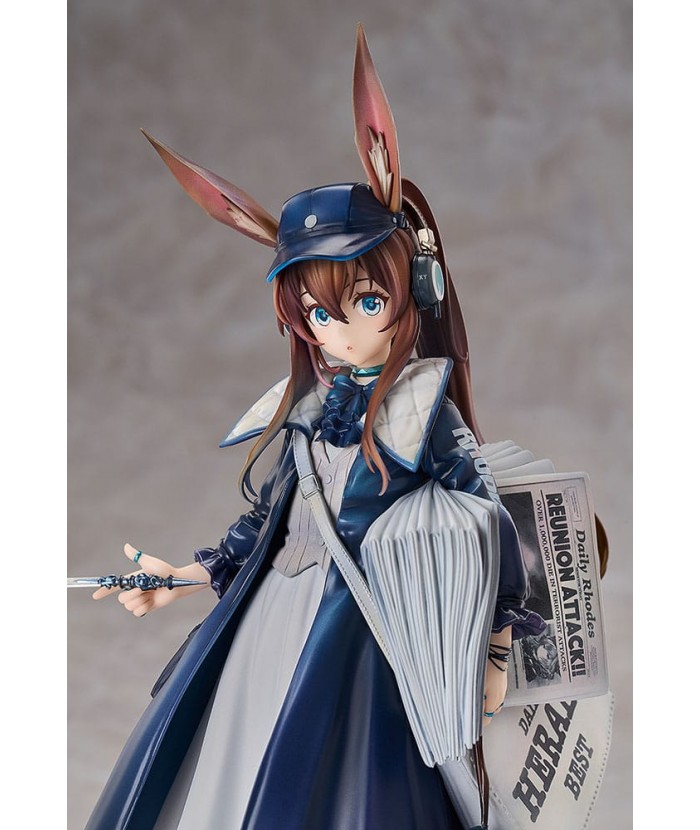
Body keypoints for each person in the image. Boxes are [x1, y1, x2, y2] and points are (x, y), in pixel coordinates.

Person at [85, 27, 545, 830]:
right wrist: (180, 577)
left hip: (367, 629)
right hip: (272, 617)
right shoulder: (305, 411)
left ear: (414, 289)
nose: (339, 330)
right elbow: (264, 528)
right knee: (230, 761)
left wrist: (496, 648)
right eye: (317, 314)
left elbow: (486, 525)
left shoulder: (421, 412)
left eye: (365, 301)